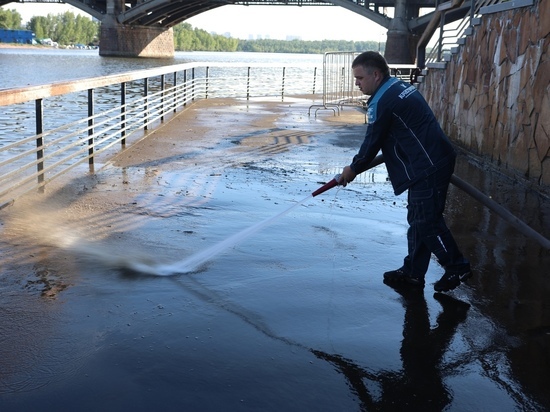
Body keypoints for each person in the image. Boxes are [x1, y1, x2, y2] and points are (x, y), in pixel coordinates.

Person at [337, 51, 471, 292]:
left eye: (359, 78)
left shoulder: (383, 101)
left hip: (427, 166)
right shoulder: (396, 86)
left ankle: (457, 267)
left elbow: (372, 141)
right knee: (418, 219)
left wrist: (353, 168)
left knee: (427, 222)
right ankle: (413, 272)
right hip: (431, 160)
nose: (356, 83)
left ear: (375, 75)